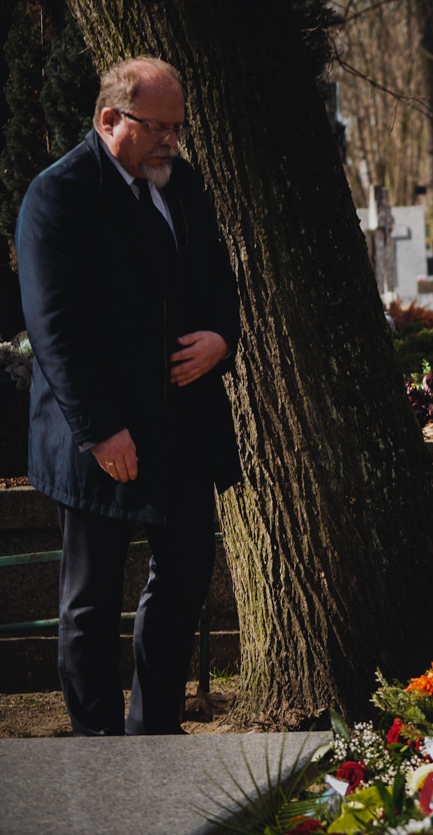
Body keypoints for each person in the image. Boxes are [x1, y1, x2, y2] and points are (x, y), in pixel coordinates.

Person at [16, 56, 240, 736]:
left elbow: (220, 282)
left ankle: (154, 732)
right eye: (159, 127)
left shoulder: (183, 183)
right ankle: (97, 747)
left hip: (183, 427)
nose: (173, 141)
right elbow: (54, 329)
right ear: (111, 119)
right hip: (101, 438)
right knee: (90, 601)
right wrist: (100, 428)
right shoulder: (58, 195)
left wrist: (221, 340)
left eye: (179, 127)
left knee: (184, 576)